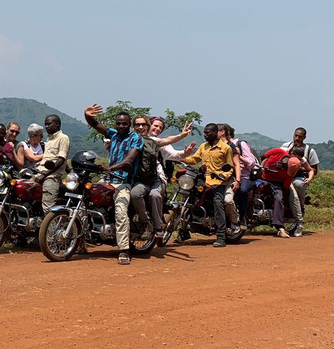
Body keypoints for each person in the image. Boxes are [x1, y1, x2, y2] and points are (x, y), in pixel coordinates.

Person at [83, 105, 143, 266]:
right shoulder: (113, 134)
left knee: (121, 210)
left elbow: (130, 159)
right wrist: (87, 115)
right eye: (119, 123)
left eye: (124, 123)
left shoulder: (135, 138)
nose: (121, 126)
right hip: (108, 179)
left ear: (129, 124)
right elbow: (96, 125)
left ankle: (124, 250)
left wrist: (110, 168)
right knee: (85, 197)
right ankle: (80, 240)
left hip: (124, 182)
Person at [130, 116, 193, 245]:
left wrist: (185, 152)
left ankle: (156, 227)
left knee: (154, 195)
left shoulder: (156, 142)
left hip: (155, 178)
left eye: (160, 127)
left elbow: (174, 154)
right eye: (155, 126)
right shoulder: (131, 139)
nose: (157, 129)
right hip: (136, 178)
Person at [181, 123, 240, 247]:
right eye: (205, 133)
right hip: (204, 180)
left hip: (219, 182)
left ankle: (221, 236)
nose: (205, 135)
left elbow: (230, 167)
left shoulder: (225, 148)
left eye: (208, 133)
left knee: (218, 203)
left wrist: (223, 175)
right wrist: (182, 157)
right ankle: (183, 231)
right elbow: (195, 159)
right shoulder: (203, 146)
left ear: (215, 133)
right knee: (189, 198)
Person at [259, 145, 308, 237]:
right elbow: (264, 156)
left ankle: (280, 226)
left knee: (279, 198)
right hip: (262, 177)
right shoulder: (278, 151)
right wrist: (260, 166)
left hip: (277, 183)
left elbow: (285, 187)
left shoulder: (289, 176)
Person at [281, 128, 319, 237]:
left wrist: (301, 169)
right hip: (285, 175)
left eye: (300, 136)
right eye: (296, 135)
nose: (297, 138)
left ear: (304, 137)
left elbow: (314, 169)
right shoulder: (285, 146)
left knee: (297, 185)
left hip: (299, 177)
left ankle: (299, 211)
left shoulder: (309, 151)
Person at [32, 115, 70, 213]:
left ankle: (51, 228)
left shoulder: (63, 138)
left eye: (49, 124)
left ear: (57, 124)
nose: (46, 126)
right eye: (45, 124)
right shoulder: (49, 140)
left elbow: (61, 160)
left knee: (47, 208)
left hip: (51, 176)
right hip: (40, 172)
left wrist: (45, 174)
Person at [216, 124, 244, 228]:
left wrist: (237, 180)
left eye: (216, 131)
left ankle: (234, 222)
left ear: (222, 132)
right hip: (213, 178)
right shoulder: (211, 145)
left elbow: (237, 164)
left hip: (228, 179)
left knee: (228, 200)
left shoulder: (231, 146)